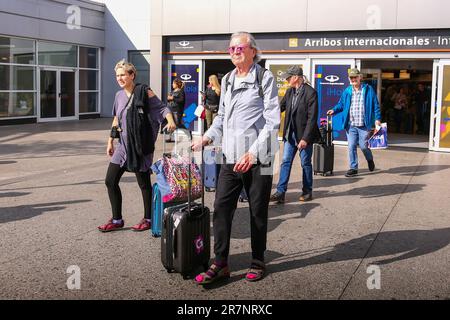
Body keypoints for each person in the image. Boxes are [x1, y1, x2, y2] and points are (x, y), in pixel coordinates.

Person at [191, 31, 280, 284]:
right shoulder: (228, 79)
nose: (234, 53)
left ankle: (258, 260)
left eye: (239, 48)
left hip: (260, 157)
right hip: (231, 156)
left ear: (253, 51)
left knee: (257, 211)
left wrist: (252, 154)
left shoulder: (264, 77)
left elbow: (273, 122)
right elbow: (220, 117)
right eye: (231, 49)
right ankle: (220, 263)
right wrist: (206, 137)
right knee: (221, 208)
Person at [98, 60, 176, 232]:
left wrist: (170, 121)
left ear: (132, 75)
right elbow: (116, 118)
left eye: (123, 74)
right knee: (110, 181)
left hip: (141, 144)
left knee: (143, 183)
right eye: (117, 75)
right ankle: (117, 220)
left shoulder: (143, 91)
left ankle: (148, 218)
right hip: (123, 145)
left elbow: (162, 108)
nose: (120, 78)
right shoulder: (119, 96)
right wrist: (110, 140)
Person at [269, 65, 320, 204]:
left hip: (303, 136)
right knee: (285, 162)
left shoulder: (311, 93)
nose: (286, 79)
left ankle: (307, 191)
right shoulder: (290, 91)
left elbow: (312, 118)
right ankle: (280, 192)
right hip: (290, 135)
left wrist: (305, 138)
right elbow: (281, 106)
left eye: (288, 77)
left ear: (296, 77)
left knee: (305, 163)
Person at [327, 68, 381, 177]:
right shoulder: (347, 91)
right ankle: (353, 168)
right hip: (351, 125)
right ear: (349, 79)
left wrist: (377, 119)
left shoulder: (368, 89)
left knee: (364, 146)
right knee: (351, 146)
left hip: (364, 125)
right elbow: (341, 104)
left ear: (360, 77)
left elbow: (376, 105)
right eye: (351, 78)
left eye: (355, 77)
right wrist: (334, 110)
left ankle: (369, 159)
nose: (353, 79)